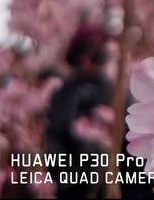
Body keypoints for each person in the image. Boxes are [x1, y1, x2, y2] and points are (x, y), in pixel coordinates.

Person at [46, 25, 112, 199]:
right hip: (64, 177)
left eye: (96, 56)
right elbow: (55, 130)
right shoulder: (65, 90)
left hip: (96, 181)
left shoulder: (109, 92)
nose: (85, 61)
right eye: (79, 56)